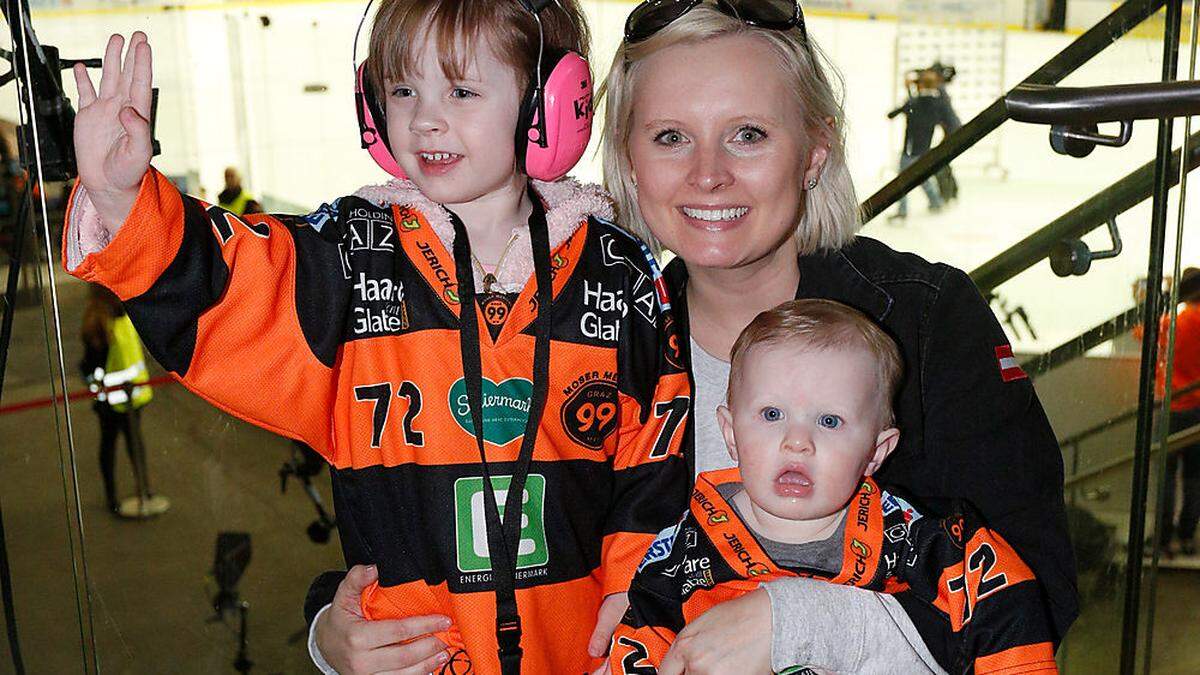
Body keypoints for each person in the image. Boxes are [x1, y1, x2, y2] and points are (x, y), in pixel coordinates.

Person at [316, 1, 1077, 673]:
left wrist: (801, 624)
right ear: (629, 160)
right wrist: (334, 630)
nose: (708, 175)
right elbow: (430, 512)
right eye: (671, 136)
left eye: (747, 134)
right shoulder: (589, 327)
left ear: (814, 150)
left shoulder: (923, 318)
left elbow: (1035, 599)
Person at [64, 0, 690, 672]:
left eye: (461, 89)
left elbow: (655, 484)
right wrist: (126, 203)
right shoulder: (351, 258)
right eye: (401, 89)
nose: (424, 117)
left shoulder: (620, 277)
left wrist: (638, 630)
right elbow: (236, 286)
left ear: (549, 104)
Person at [610, 299, 1059, 674]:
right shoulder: (679, 556)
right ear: (729, 433)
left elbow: (1012, 619)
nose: (797, 442)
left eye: (829, 421)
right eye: (771, 415)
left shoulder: (934, 544)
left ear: (876, 451)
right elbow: (640, 648)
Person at [78, 284, 169, 518]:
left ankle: (144, 489)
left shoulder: (124, 314)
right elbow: (90, 365)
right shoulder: (99, 322)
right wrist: (98, 390)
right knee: (110, 446)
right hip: (112, 402)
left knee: (134, 443)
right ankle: (112, 498)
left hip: (133, 397)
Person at [1152, 267, 1200, 557]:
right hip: (1199, 412)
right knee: (1194, 478)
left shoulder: (1175, 322)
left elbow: (1142, 331)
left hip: (1174, 408)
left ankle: (1162, 541)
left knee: (1167, 477)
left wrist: (1160, 297)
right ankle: (1187, 537)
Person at [886, 66, 962, 221]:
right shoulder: (939, 104)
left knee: (901, 182)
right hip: (925, 149)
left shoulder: (914, 103)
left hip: (910, 150)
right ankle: (936, 202)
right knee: (923, 178)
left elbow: (891, 114)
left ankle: (903, 211)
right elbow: (952, 124)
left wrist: (909, 92)